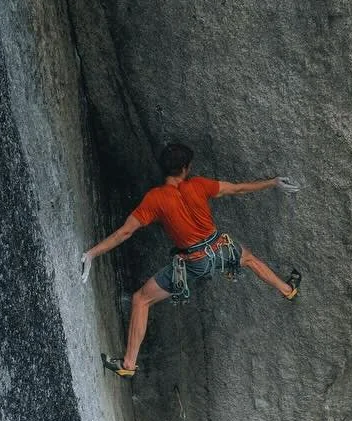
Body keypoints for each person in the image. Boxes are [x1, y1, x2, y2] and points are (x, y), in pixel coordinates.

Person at [80, 142, 300, 378]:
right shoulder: (199, 185)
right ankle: (288, 289)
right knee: (249, 259)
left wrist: (91, 254)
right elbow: (238, 189)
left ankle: (128, 365)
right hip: (221, 248)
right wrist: (274, 182)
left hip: (194, 262)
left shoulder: (155, 199)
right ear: (186, 168)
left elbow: (124, 232)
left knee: (141, 300)